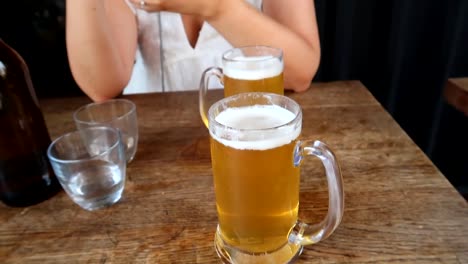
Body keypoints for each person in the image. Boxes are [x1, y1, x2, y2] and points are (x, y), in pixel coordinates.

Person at [66, 0, 320, 102]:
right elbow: (102, 85)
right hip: (157, 147)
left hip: (253, 134)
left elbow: (299, 73)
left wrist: (217, 7)